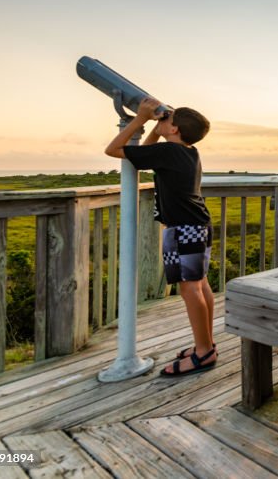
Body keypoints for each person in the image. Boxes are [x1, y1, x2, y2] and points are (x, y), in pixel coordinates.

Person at [104, 97, 217, 377]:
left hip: (182, 228)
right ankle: (207, 344)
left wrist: (141, 119)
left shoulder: (169, 152)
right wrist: (157, 126)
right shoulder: (188, 151)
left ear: (175, 130)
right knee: (200, 286)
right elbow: (144, 154)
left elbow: (113, 150)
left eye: (168, 118)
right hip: (197, 225)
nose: (162, 119)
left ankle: (203, 353)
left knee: (190, 289)